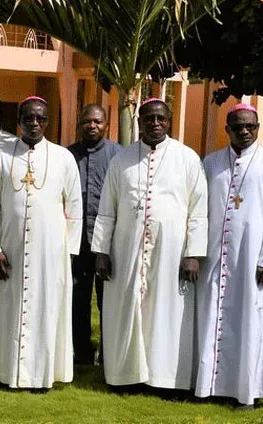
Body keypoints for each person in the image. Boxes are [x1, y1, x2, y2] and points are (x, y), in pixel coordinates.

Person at [92, 98, 207, 391]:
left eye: (160, 118)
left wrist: (193, 254)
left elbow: (198, 210)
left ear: (169, 121)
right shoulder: (122, 160)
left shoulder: (187, 158)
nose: (155, 123)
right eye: (148, 119)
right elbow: (107, 209)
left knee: (167, 311)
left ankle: (165, 379)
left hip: (171, 252)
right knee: (126, 309)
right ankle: (125, 376)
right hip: (126, 250)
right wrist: (101, 251)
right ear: (140, 122)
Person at [0, 96, 82, 390]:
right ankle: (3, 372)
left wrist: (68, 252)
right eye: (28, 118)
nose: (34, 123)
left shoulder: (63, 157)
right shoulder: (2, 157)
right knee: (7, 308)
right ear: (19, 121)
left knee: (45, 309)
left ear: (47, 122)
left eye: (40, 118)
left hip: (49, 251)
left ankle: (41, 376)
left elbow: (74, 207)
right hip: (9, 248)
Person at [196, 103, 263, 408]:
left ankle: (246, 391)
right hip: (214, 258)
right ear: (227, 130)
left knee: (249, 321)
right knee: (212, 316)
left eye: (251, 126)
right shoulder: (211, 163)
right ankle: (208, 387)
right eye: (238, 127)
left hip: (250, 257)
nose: (245, 132)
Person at [67, 104, 121, 365]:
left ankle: (109, 353)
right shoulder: (68, 156)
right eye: (87, 121)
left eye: (97, 122)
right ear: (79, 124)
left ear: (106, 125)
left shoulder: (118, 156)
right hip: (77, 242)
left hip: (107, 244)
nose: (92, 126)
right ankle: (82, 352)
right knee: (77, 300)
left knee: (107, 300)